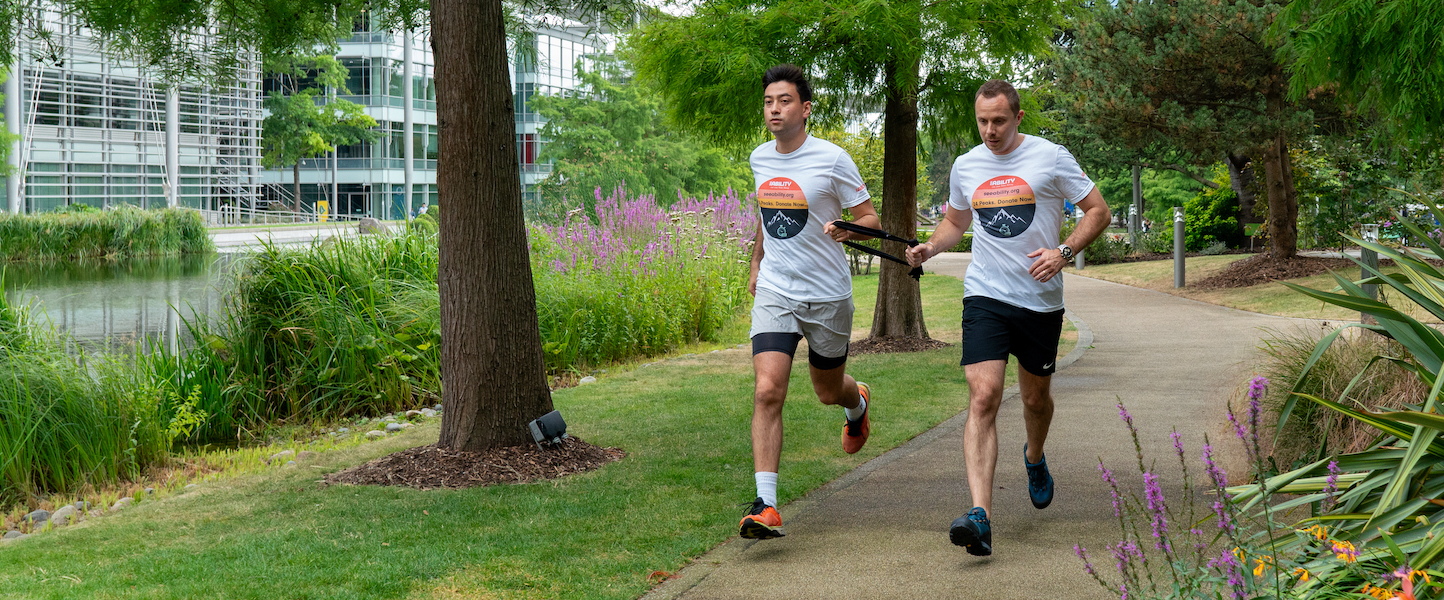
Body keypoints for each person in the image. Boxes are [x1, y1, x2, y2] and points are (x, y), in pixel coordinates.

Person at [905, 79, 1110, 556]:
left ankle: (1034, 457)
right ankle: (981, 516)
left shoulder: (1051, 157)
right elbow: (956, 222)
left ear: (1018, 117)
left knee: (1036, 401)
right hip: (986, 295)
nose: (990, 131)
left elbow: (1097, 211)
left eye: (999, 121)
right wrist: (930, 248)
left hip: (1040, 299)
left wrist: (1064, 251)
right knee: (984, 395)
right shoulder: (966, 165)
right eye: (982, 121)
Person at [737, 64, 881, 540]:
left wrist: (849, 229)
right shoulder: (760, 158)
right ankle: (766, 505)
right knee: (767, 389)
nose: (774, 109)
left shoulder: (833, 160)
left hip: (827, 294)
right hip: (778, 290)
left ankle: (856, 402)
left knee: (827, 390)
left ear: (805, 108)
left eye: (784, 101)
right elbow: (768, 214)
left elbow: (870, 218)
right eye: (768, 102)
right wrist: (757, 263)